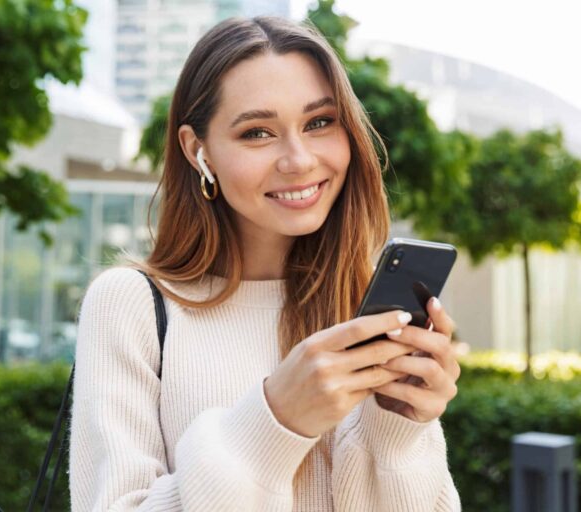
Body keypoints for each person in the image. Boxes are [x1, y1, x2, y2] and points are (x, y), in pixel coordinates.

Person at [69, 15, 461, 512]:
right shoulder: (131, 304)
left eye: (319, 122)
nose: (299, 160)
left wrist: (398, 427)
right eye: (257, 133)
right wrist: (276, 421)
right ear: (198, 150)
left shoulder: (367, 309)